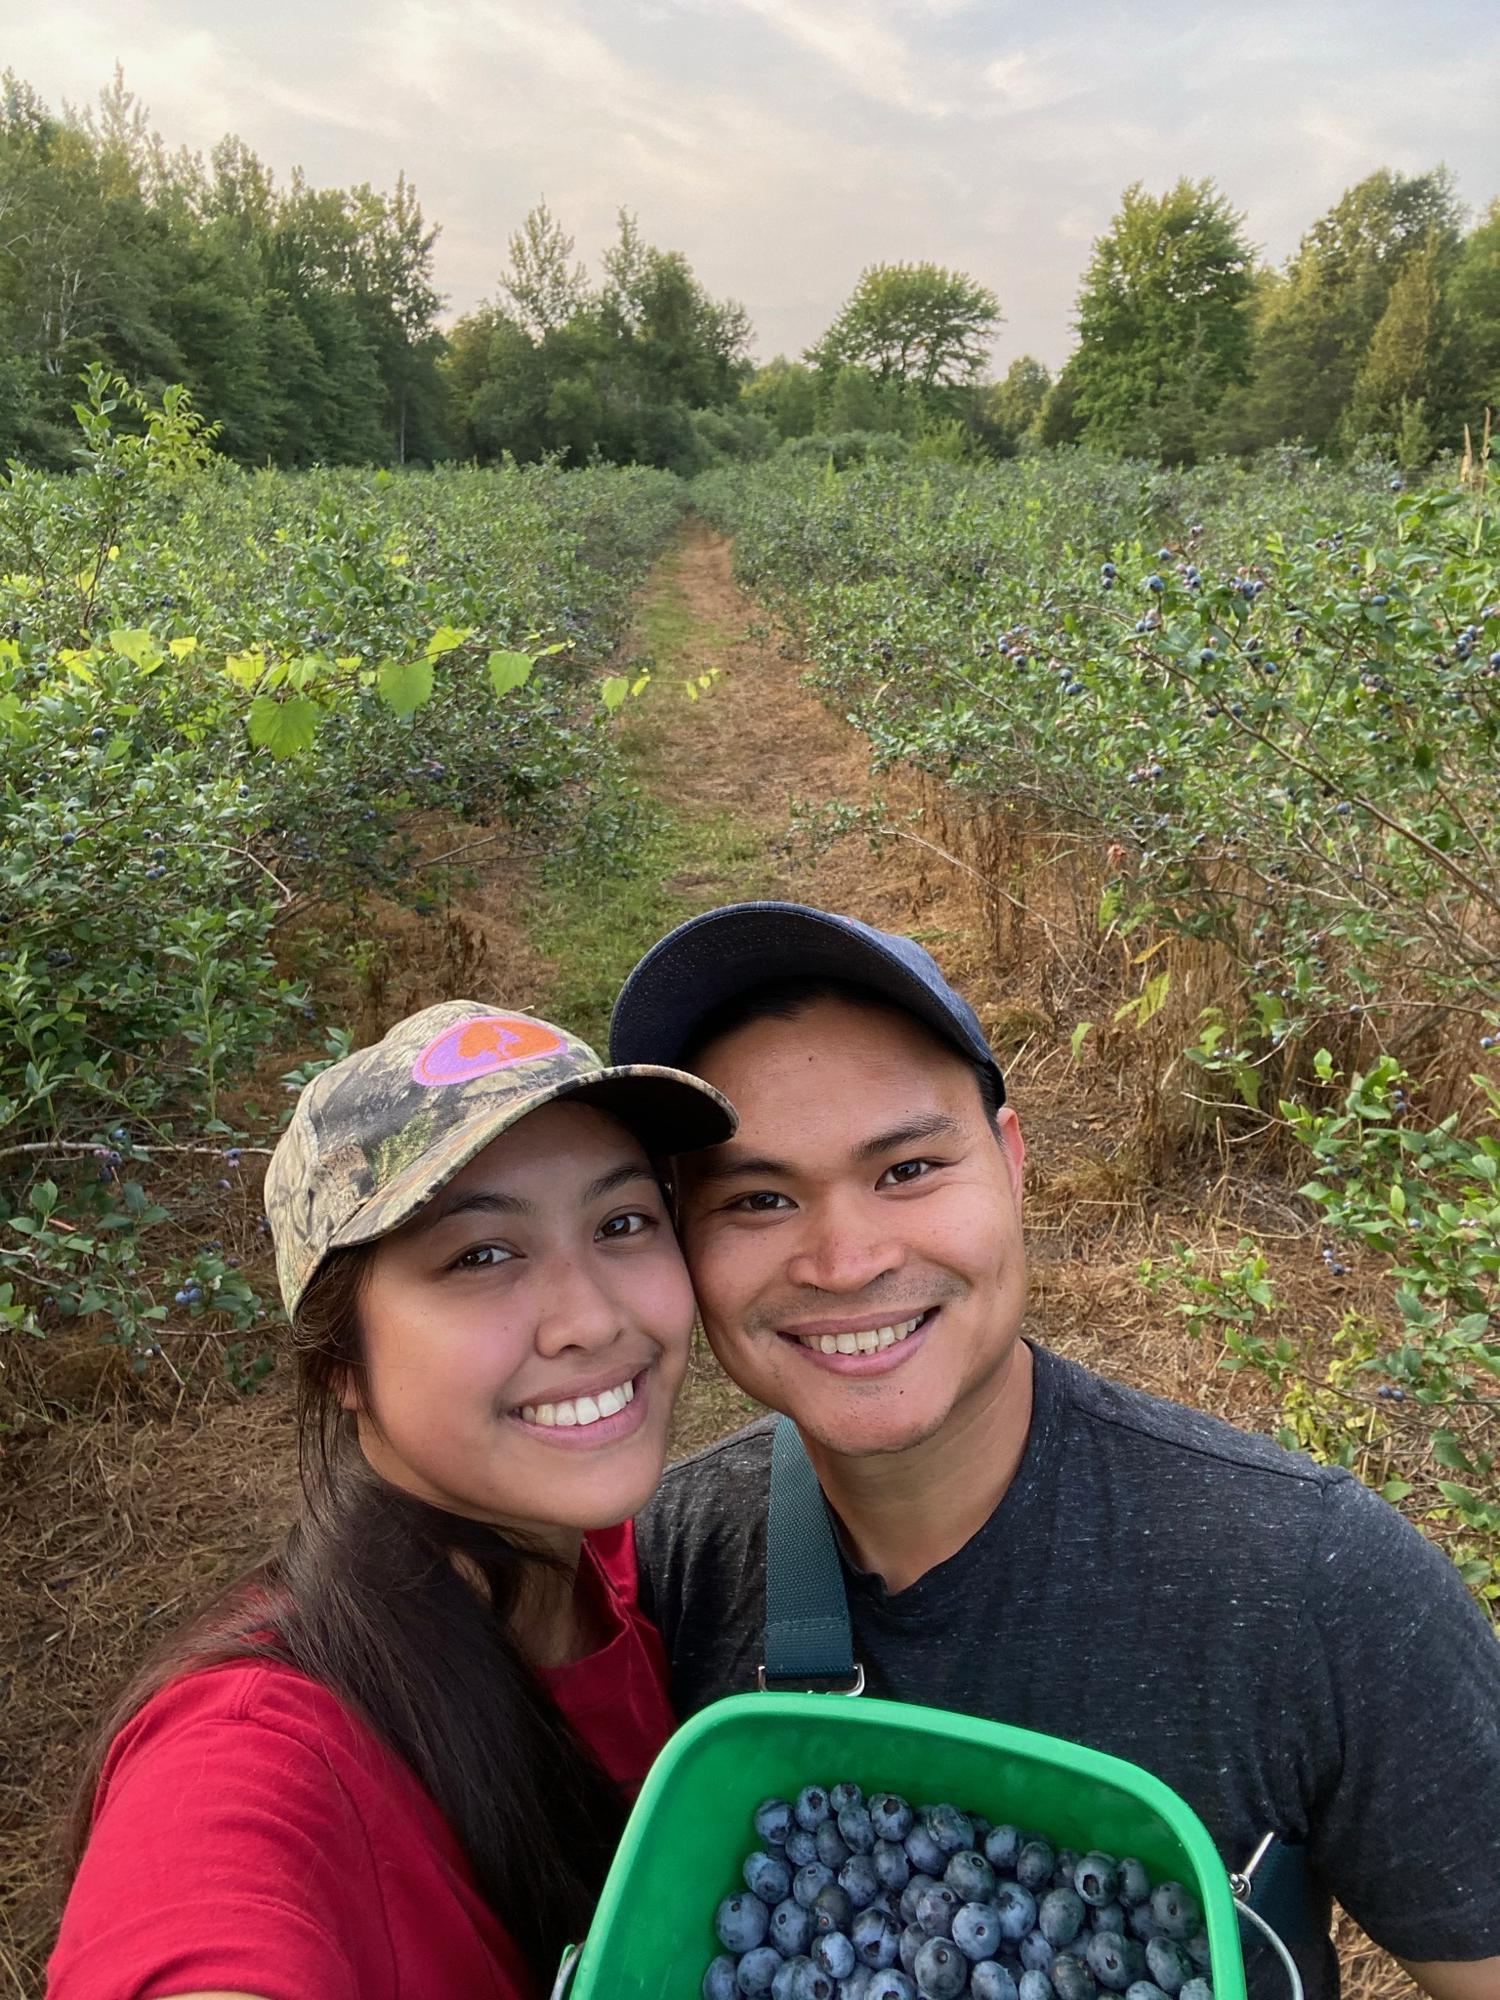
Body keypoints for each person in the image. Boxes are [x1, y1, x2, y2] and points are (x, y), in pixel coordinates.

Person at [609, 901, 1500, 2000]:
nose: (843, 1259)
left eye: (907, 1169)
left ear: (1013, 1161)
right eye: (757, 1196)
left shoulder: (1307, 1579)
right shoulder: (662, 1564)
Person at [48, 1000, 735, 2000]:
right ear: (343, 1363)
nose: (591, 1317)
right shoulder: (261, 1742)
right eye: (481, 1254)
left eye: (622, 1222)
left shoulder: (641, 1571)